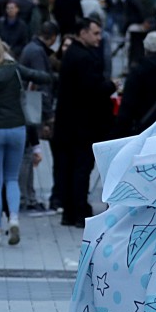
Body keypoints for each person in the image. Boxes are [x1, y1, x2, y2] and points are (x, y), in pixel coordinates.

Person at [0, 35, 54, 246]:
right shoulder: (15, 69)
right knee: (12, 179)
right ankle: (14, 218)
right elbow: (42, 76)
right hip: (17, 128)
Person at [54, 17, 117, 227]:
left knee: (72, 167)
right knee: (81, 168)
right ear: (83, 33)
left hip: (71, 122)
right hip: (83, 124)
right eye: (96, 33)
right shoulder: (84, 58)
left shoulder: (73, 54)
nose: (99, 37)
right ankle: (79, 210)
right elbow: (92, 90)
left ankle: (70, 210)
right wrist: (110, 86)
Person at [18, 21, 60, 212]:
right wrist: (48, 113)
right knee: (28, 154)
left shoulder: (32, 49)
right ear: (52, 38)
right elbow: (41, 83)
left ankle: (28, 196)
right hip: (31, 106)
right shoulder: (37, 52)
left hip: (30, 104)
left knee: (27, 154)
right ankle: (27, 197)